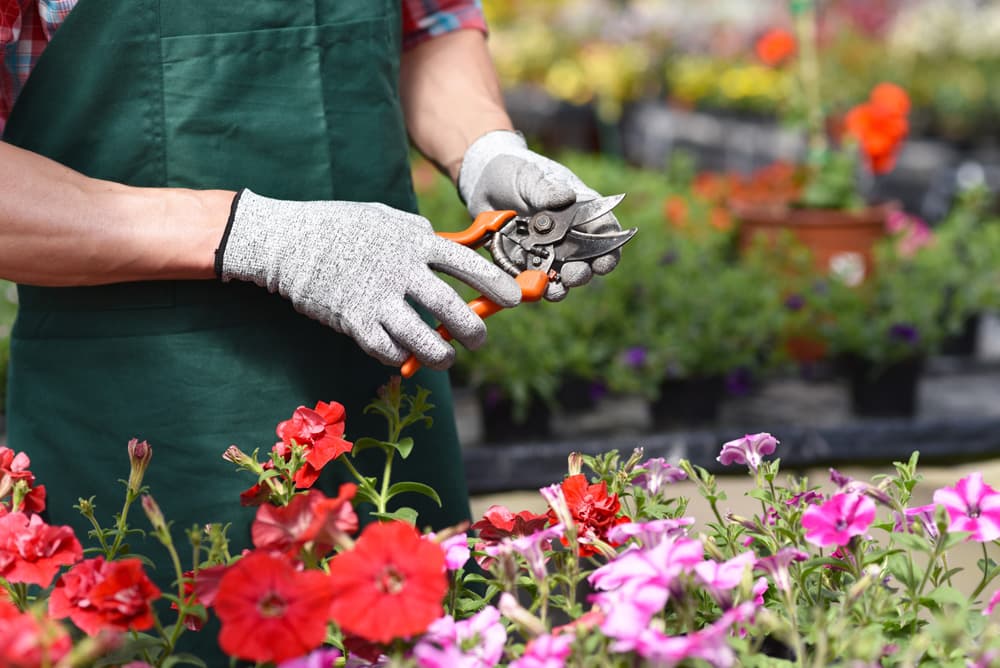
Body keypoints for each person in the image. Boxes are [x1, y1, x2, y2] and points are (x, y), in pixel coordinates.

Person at [0, 1, 622, 554]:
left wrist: (485, 150)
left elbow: (430, 24)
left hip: (380, 383)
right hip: (146, 415)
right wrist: (254, 234)